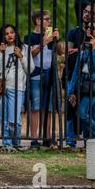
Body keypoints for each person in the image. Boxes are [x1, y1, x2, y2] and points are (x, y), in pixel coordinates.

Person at [24, 10, 62, 147]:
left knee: (48, 107)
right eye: (46, 19)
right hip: (35, 75)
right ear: (38, 21)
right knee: (35, 107)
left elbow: (60, 52)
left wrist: (57, 39)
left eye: (49, 19)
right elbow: (30, 55)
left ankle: (47, 137)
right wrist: (44, 42)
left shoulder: (51, 36)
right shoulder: (29, 37)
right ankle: (34, 139)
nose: (49, 22)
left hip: (50, 74)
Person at [64, 3, 95, 147]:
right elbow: (66, 51)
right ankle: (70, 141)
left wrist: (80, 50)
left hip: (90, 79)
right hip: (71, 74)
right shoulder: (74, 32)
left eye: (90, 13)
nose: (86, 14)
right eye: (85, 11)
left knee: (89, 111)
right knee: (70, 108)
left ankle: (89, 141)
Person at [0, 25, 34, 147]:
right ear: (3, 36)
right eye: (6, 33)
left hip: (17, 88)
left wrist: (21, 56)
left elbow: (30, 69)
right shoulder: (1, 49)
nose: (10, 35)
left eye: (12, 32)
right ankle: (7, 145)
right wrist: (0, 53)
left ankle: (16, 143)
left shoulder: (24, 48)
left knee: (14, 121)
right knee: (3, 119)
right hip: (2, 88)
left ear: (16, 33)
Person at [67, 21, 95, 139]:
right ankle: (90, 142)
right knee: (92, 114)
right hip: (82, 84)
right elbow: (77, 70)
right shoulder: (84, 46)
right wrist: (71, 91)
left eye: (93, 27)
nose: (89, 29)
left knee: (82, 113)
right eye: (87, 27)